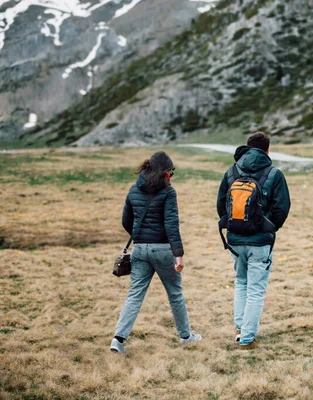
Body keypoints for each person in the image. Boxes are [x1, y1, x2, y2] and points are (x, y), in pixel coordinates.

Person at [110, 151, 201, 353]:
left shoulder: (134, 190)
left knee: (134, 295)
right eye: (170, 172)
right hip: (163, 250)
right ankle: (186, 337)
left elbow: (126, 221)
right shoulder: (169, 192)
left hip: (140, 250)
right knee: (175, 293)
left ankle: (118, 340)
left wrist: (141, 236)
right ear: (165, 172)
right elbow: (171, 225)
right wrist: (179, 254)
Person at [217, 132, 291, 350]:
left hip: (235, 238)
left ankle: (240, 330)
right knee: (256, 290)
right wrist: (269, 227)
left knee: (240, 282)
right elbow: (282, 208)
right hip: (260, 241)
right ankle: (248, 340)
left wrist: (233, 225)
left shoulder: (231, 171)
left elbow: (221, 205)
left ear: (247, 148)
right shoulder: (274, 173)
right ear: (268, 150)